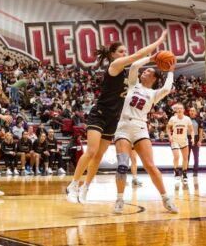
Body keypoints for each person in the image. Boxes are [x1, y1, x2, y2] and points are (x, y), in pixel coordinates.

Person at [66, 30, 168, 204]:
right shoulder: (115, 66)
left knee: (98, 156)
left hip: (114, 118)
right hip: (99, 114)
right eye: (121, 51)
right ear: (113, 55)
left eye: (124, 51)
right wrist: (157, 44)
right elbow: (136, 57)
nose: (124, 54)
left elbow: (135, 66)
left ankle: (85, 188)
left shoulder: (126, 74)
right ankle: (74, 184)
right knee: (91, 150)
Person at [112, 54, 177, 213]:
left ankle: (165, 198)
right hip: (124, 126)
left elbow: (167, 88)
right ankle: (120, 199)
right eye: (145, 70)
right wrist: (151, 58)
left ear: (154, 78)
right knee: (122, 165)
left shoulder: (154, 94)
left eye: (148, 72)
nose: (144, 72)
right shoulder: (133, 84)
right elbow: (134, 66)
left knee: (150, 165)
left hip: (140, 128)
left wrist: (171, 71)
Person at [166, 103, 194, 183]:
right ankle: (176, 171)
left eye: (181, 108)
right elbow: (167, 128)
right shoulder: (173, 118)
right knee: (176, 157)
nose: (179, 110)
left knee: (185, 158)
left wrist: (192, 138)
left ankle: (184, 173)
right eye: (178, 108)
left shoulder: (187, 119)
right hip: (175, 140)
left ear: (184, 110)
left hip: (184, 141)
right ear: (176, 110)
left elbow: (191, 130)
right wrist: (170, 136)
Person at [188, 107, 203, 177]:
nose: (192, 112)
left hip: (196, 139)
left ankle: (195, 171)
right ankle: (184, 170)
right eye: (190, 110)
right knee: (186, 156)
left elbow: (200, 132)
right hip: (187, 139)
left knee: (196, 156)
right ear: (189, 112)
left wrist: (200, 140)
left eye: (193, 110)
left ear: (196, 112)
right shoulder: (186, 120)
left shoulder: (199, 120)